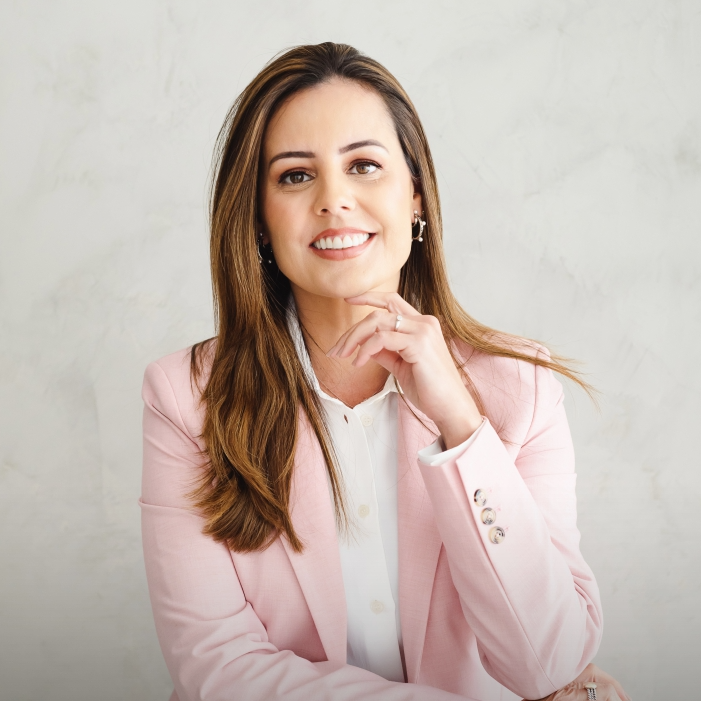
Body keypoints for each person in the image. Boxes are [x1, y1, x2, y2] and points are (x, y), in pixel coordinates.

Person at [140, 42, 630, 701]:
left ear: (416, 196)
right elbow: (219, 669)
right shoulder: (184, 398)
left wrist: (462, 427)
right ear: (258, 218)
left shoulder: (524, 388)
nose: (334, 200)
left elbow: (549, 662)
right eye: (295, 176)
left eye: (364, 166)